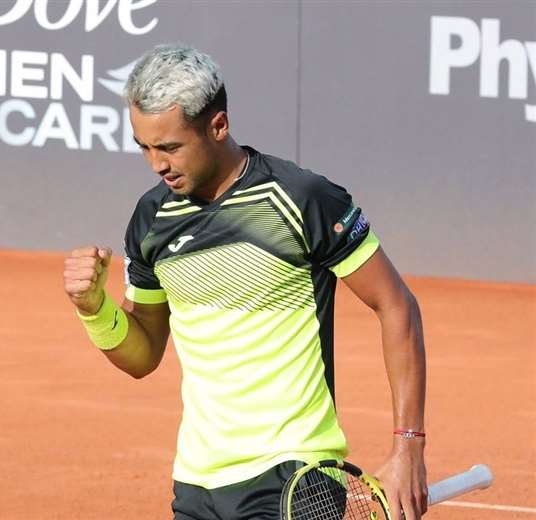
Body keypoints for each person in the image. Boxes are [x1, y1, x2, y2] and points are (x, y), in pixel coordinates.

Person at [63, 44, 427, 520]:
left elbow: (395, 304)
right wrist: (95, 310)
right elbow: (143, 354)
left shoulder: (302, 198)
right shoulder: (153, 216)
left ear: (218, 126)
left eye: (170, 147)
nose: (157, 164)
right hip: (198, 481)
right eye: (145, 147)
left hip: (293, 475)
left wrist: (408, 448)